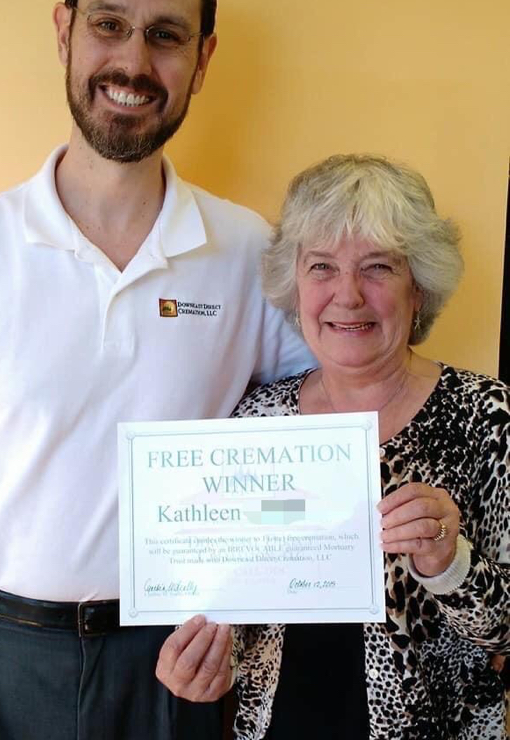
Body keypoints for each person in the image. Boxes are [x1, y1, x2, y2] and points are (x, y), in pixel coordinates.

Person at [0, 0, 314, 740]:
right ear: (64, 31)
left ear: (203, 60)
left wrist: (239, 618)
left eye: (166, 36)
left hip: (172, 665)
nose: (132, 62)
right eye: (108, 24)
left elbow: (311, 449)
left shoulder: (251, 253)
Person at [158, 154, 509, 737]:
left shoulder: (485, 416)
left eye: (378, 267)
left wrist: (450, 562)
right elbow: (241, 608)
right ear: (294, 286)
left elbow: (504, 634)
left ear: (418, 289)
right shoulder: (258, 419)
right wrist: (211, 660)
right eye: (322, 266)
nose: (347, 295)